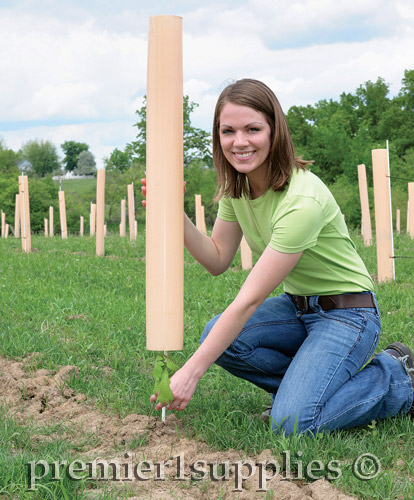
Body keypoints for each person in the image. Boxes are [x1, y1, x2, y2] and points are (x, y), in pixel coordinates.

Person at [145, 78, 414, 435]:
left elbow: (249, 300)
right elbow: (217, 258)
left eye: (252, 129)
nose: (239, 141)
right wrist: (173, 214)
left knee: (291, 425)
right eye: (228, 131)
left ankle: (398, 378)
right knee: (220, 337)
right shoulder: (237, 189)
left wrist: (192, 371)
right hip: (297, 309)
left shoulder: (301, 201)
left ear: (275, 132)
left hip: (348, 315)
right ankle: (304, 393)